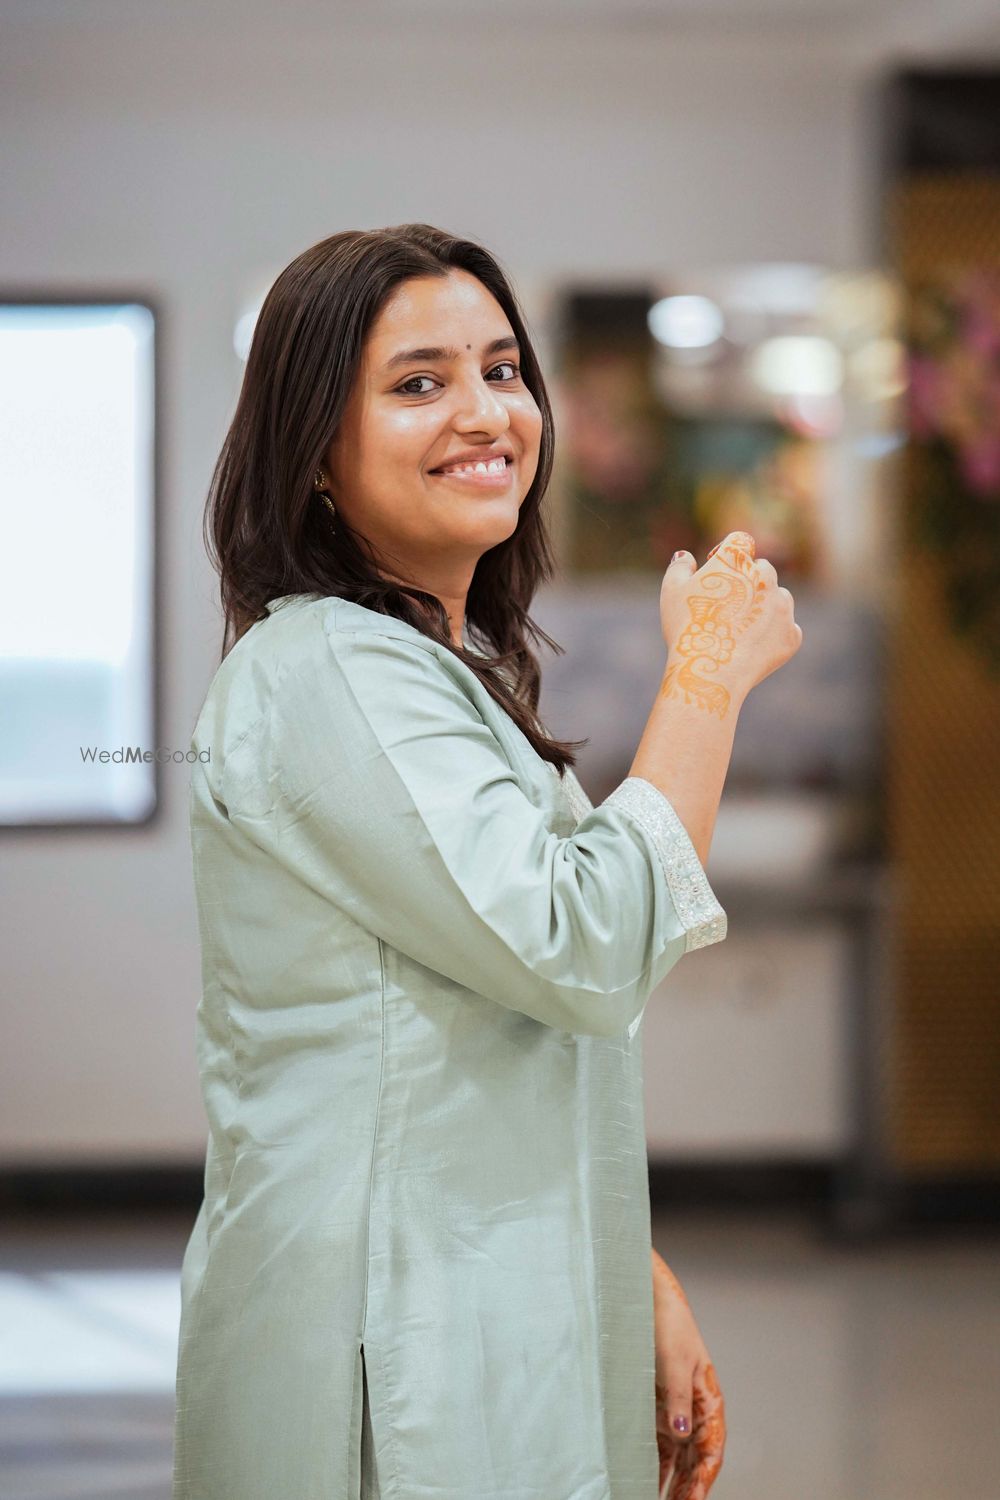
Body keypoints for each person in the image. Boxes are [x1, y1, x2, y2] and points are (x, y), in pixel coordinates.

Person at [173, 222, 802, 1500]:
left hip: (471, 1290)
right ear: (317, 461)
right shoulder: (327, 670)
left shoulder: (433, 668)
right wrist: (705, 678)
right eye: (418, 384)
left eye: (503, 370)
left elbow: (493, 1022)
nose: (484, 412)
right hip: (387, 1328)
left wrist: (627, 1265)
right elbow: (580, 946)